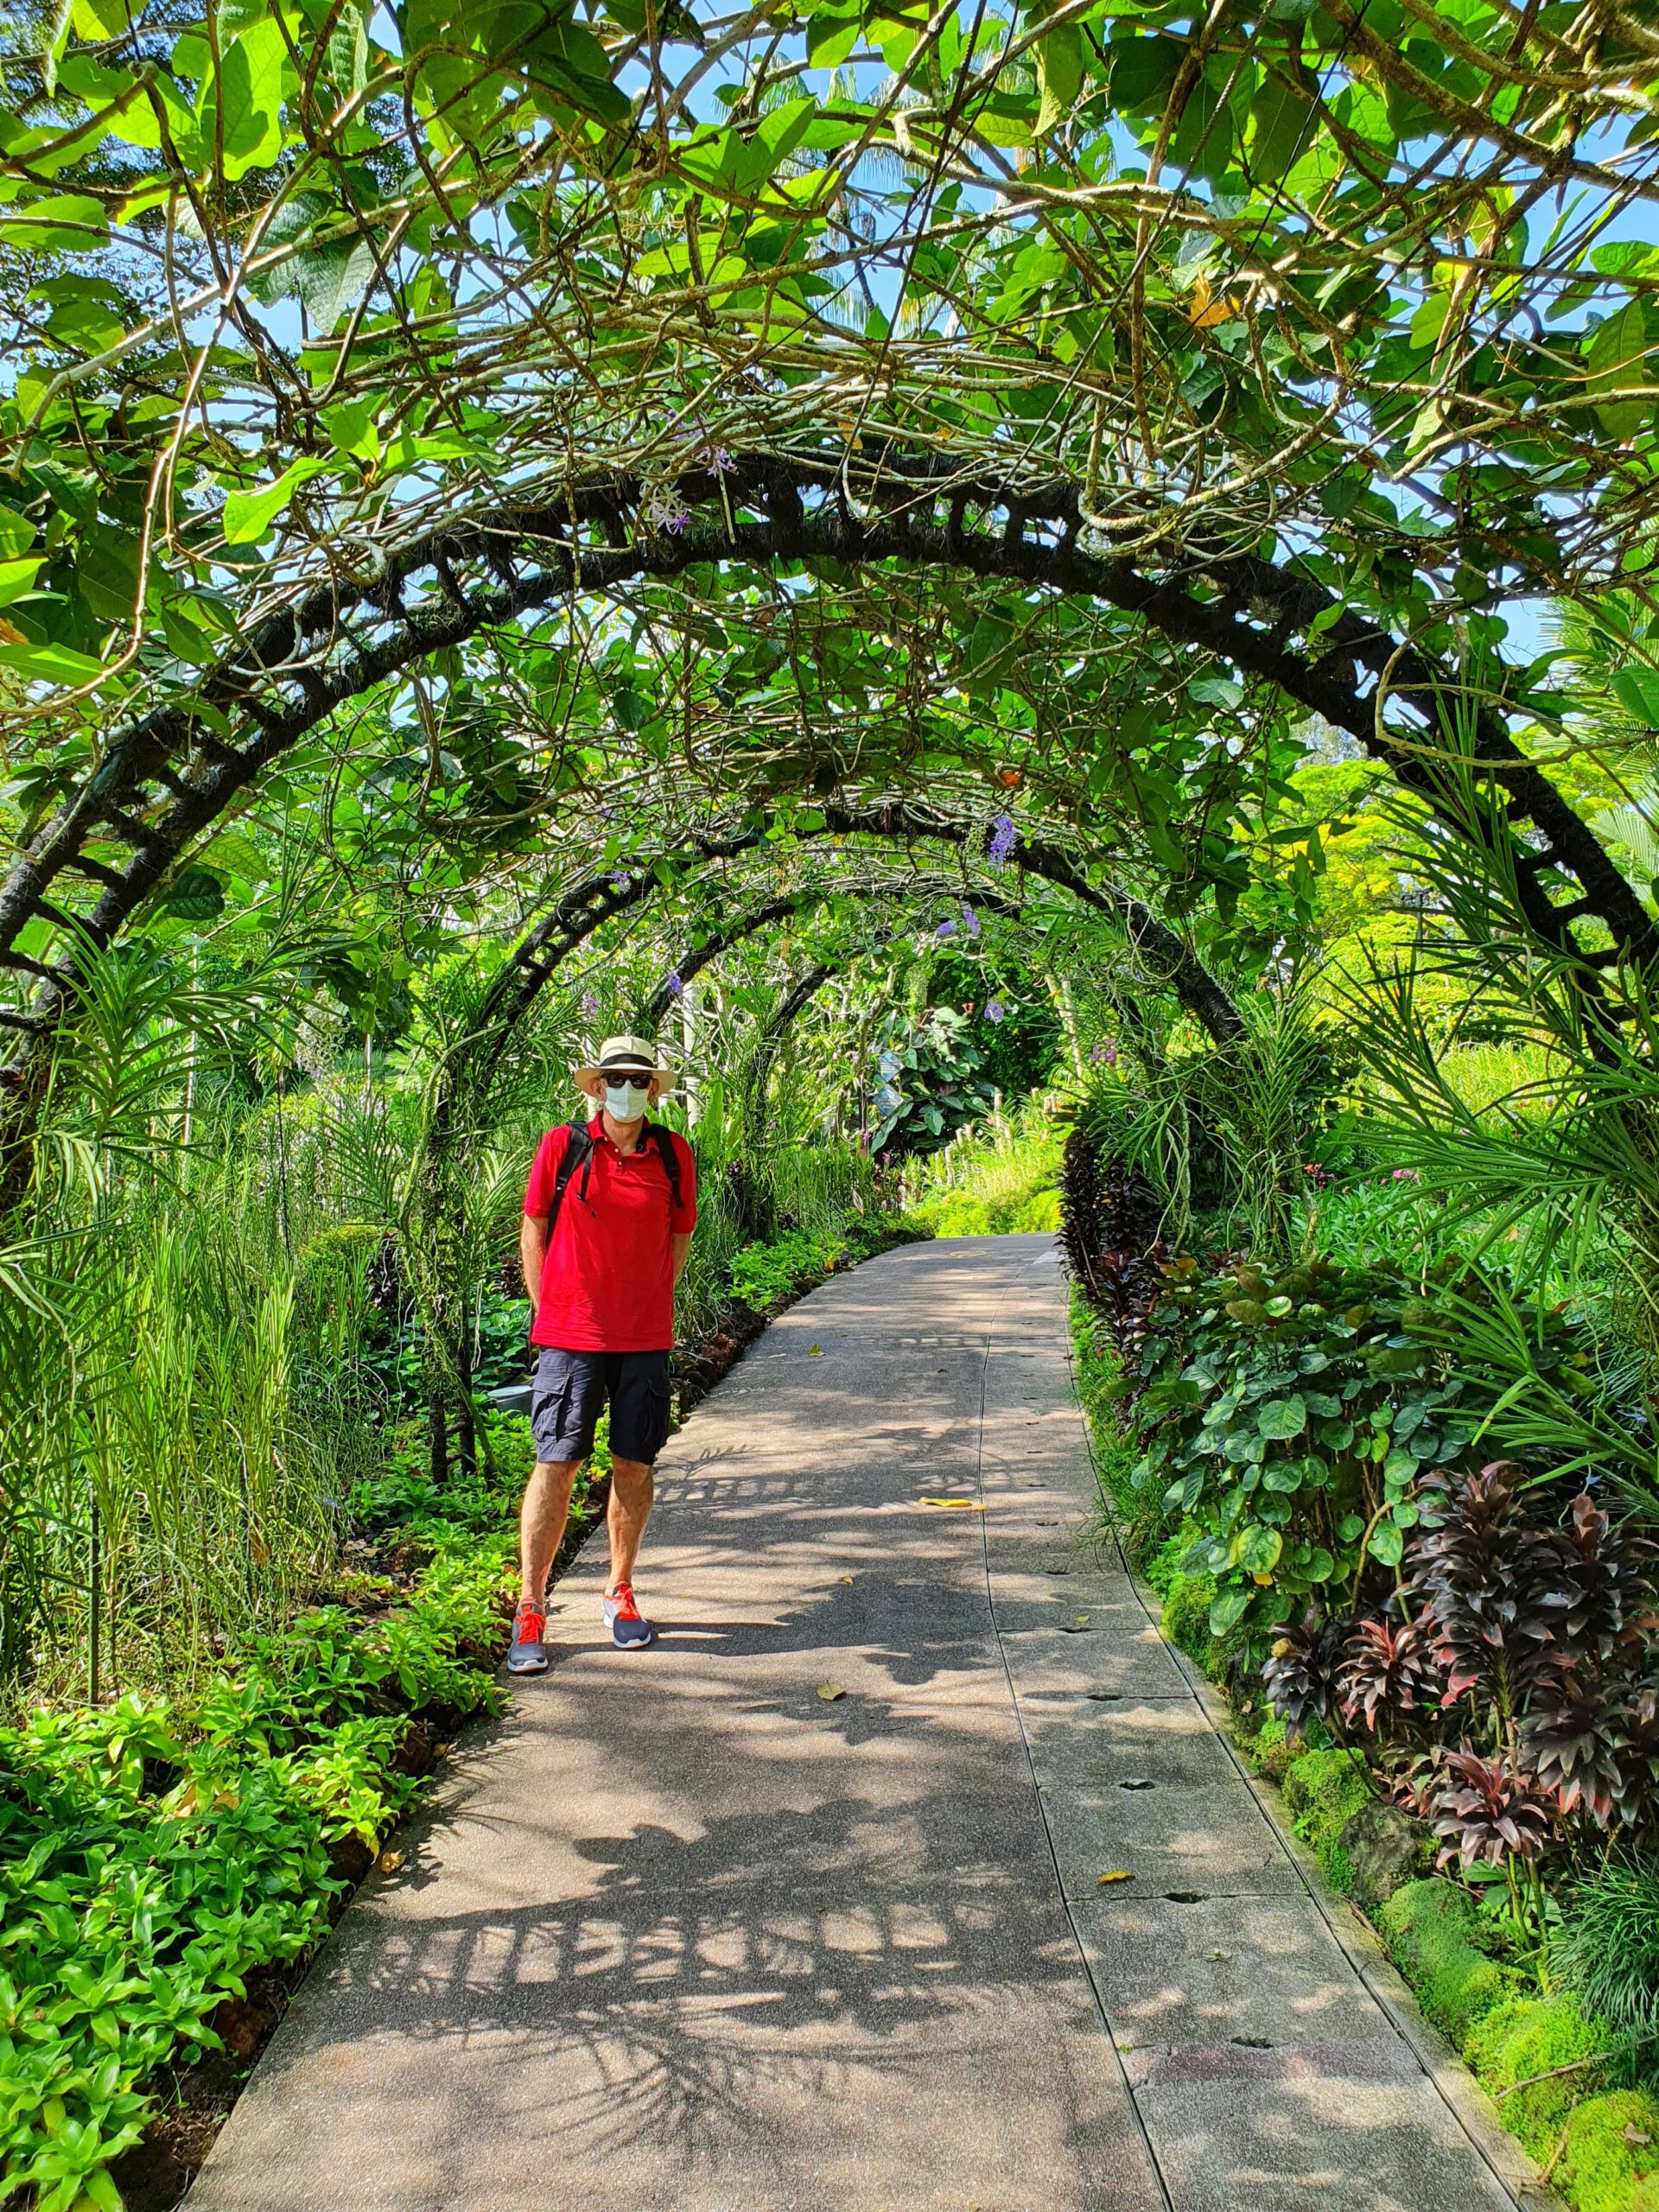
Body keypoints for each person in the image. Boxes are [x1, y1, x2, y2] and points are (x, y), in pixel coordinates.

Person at [507, 1035, 696, 1671]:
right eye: (616, 1077)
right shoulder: (563, 1147)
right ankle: (530, 1605)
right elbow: (534, 1225)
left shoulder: (673, 1155)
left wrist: (646, 1300)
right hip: (569, 1338)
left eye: (639, 1079)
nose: (627, 1088)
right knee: (556, 1463)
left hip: (644, 1338)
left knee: (633, 1464)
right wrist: (547, 1308)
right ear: (595, 1087)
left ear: (653, 1089)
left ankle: (620, 1591)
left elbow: (679, 1235)